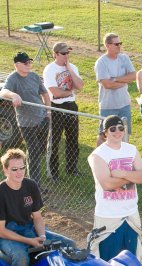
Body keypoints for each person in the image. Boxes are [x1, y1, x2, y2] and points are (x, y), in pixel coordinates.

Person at [88, 115, 142, 264]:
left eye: (121, 128)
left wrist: (123, 174)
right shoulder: (97, 155)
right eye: (112, 128)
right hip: (108, 216)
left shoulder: (131, 149)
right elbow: (107, 184)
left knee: (131, 259)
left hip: (131, 214)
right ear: (105, 132)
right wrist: (133, 177)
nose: (117, 131)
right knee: (108, 259)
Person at [0, 148, 76, 266]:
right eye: (14, 169)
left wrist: (42, 236)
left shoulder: (31, 185)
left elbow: (37, 217)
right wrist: (30, 241)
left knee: (70, 244)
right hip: (9, 234)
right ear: (5, 170)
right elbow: (1, 231)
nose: (19, 172)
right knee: (21, 258)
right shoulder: (1, 192)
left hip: (29, 227)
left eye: (22, 168)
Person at [0, 52, 50, 187]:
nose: (29, 64)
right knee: (33, 152)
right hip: (26, 123)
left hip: (42, 119)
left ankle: (32, 178)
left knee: (38, 151)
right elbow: (3, 92)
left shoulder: (34, 76)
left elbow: (44, 93)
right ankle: (35, 185)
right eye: (25, 62)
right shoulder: (13, 78)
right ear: (17, 65)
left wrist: (48, 111)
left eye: (29, 62)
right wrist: (14, 94)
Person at [43, 42, 84, 181]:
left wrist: (69, 70)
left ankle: (72, 168)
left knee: (73, 138)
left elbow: (80, 85)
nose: (67, 55)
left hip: (71, 106)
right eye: (64, 53)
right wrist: (69, 92)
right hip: (56, 107)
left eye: (68, 52)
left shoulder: (73, 67)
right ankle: (53, 173)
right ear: (55, 54)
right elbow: (55, 92)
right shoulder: (49, 69)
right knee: (54, 140)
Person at [94, 33, 136, 146]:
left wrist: (116, 79)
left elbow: (133, 76)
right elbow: (107, 85)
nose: (119, 46)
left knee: (125, 134)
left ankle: (122, 159)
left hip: (124, 104)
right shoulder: (101, 62)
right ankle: (99, 160)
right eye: (116, 44)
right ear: (107, 45)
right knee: (103, 135)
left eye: (120, 43)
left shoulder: (124, 58)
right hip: (108, 106)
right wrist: (124, 81)